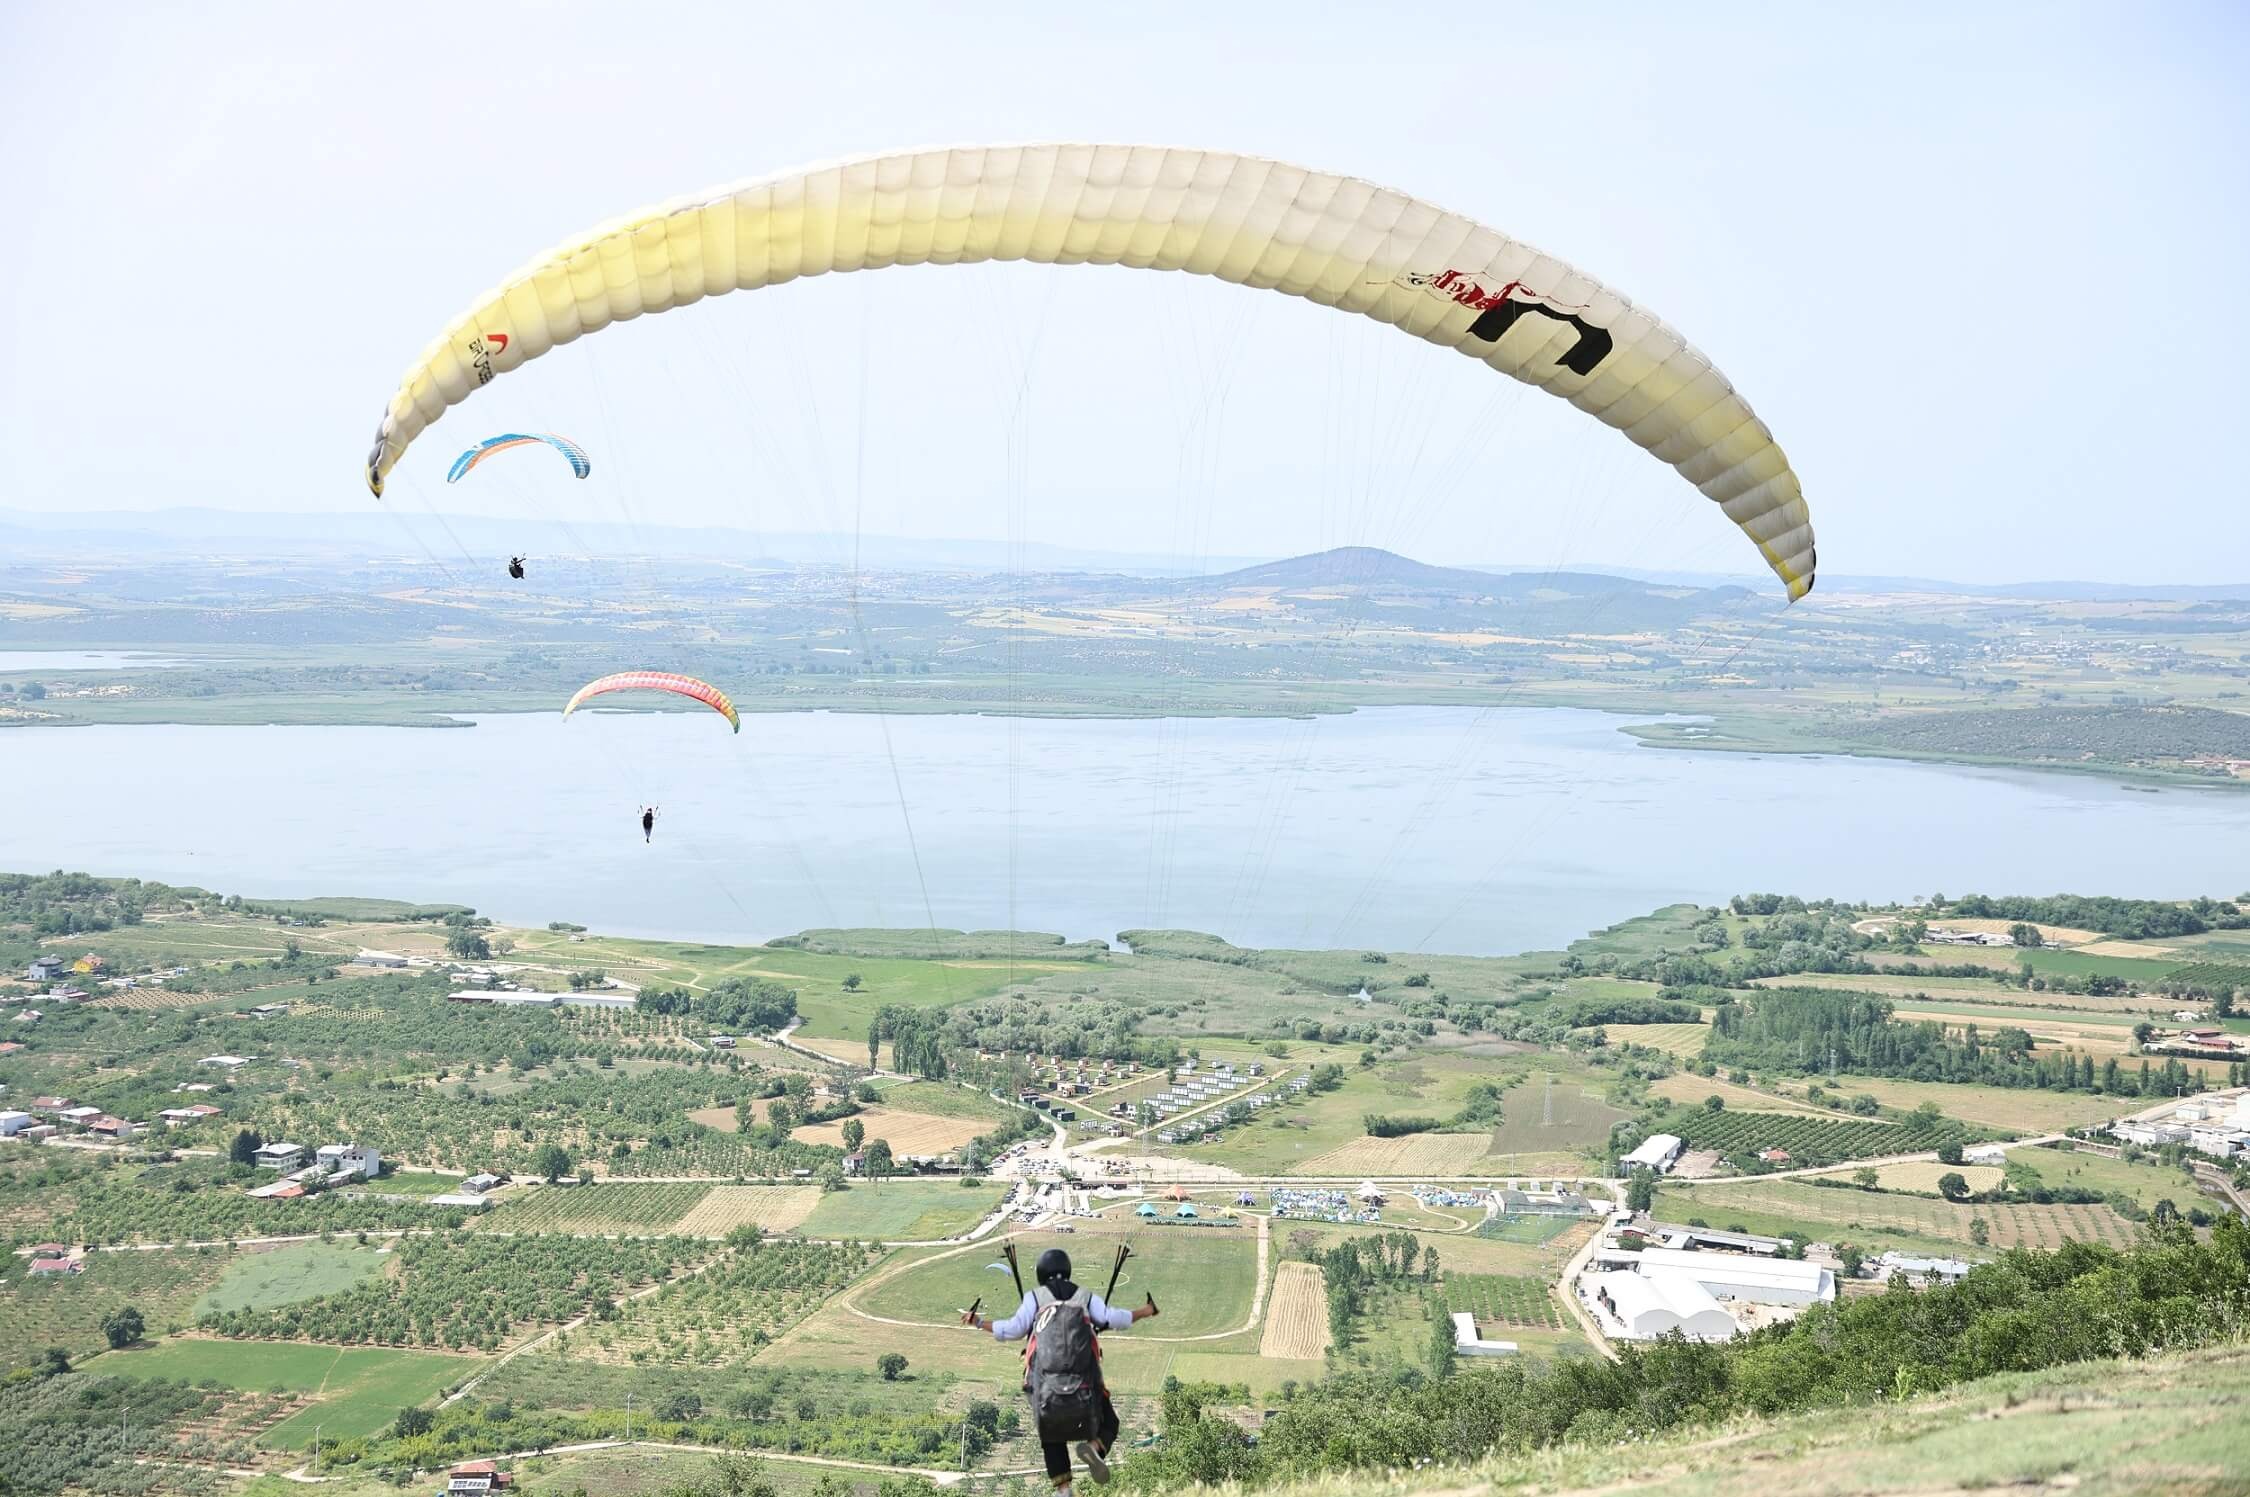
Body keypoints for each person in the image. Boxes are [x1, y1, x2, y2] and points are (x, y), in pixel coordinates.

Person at [963, 1248, 1155, 1492]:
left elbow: (1012, 1329)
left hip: (1045, 1388)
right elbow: (1113, 1318)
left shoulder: (1034, 1298)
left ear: (1042, 1274)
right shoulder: (1084, 1296)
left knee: (1050, 1431)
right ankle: (1095, 1447)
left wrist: (979, 1322)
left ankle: (1064, 1491)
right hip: (1086, 1386)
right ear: (1067, 1270)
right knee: (1111, 1422)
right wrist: (1146, 1311)